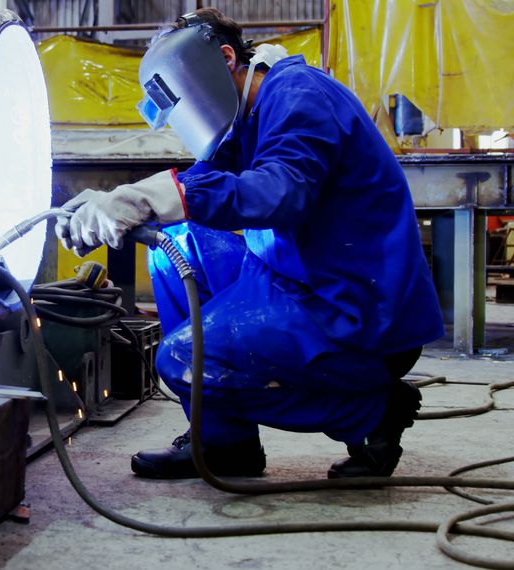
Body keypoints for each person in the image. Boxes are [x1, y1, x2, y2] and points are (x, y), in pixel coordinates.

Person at [55, 8, 443, 480]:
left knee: (180, 358)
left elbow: (281, 191)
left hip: (356, 312)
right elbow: (201, 180)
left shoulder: (300, 96)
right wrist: (120, 200)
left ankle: (371, 414)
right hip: (298, 277)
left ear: (225, 59)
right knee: (173, 242)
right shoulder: (250, 115)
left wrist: (159, 195)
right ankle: (224, 444)